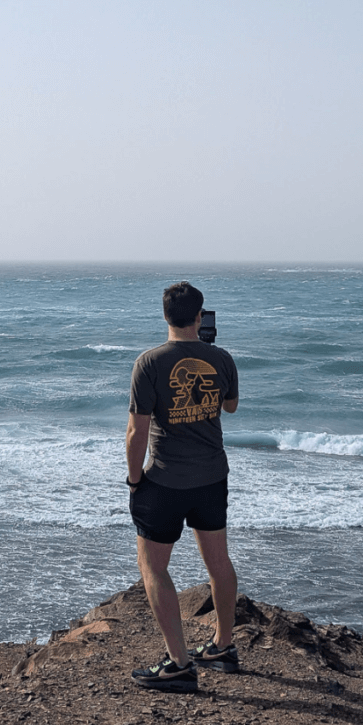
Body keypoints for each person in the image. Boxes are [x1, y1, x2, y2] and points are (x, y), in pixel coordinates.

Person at [126, 281, 240, 692]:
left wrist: (135, 479)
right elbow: (229, 406)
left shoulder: (149, 362)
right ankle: (223, 646)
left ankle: (178, 663)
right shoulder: (221, 358)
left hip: (165, 480)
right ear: (199, 317)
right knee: (218, 562)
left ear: (164, 315)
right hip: (211, 476)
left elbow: (137, 432)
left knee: (154, 568)